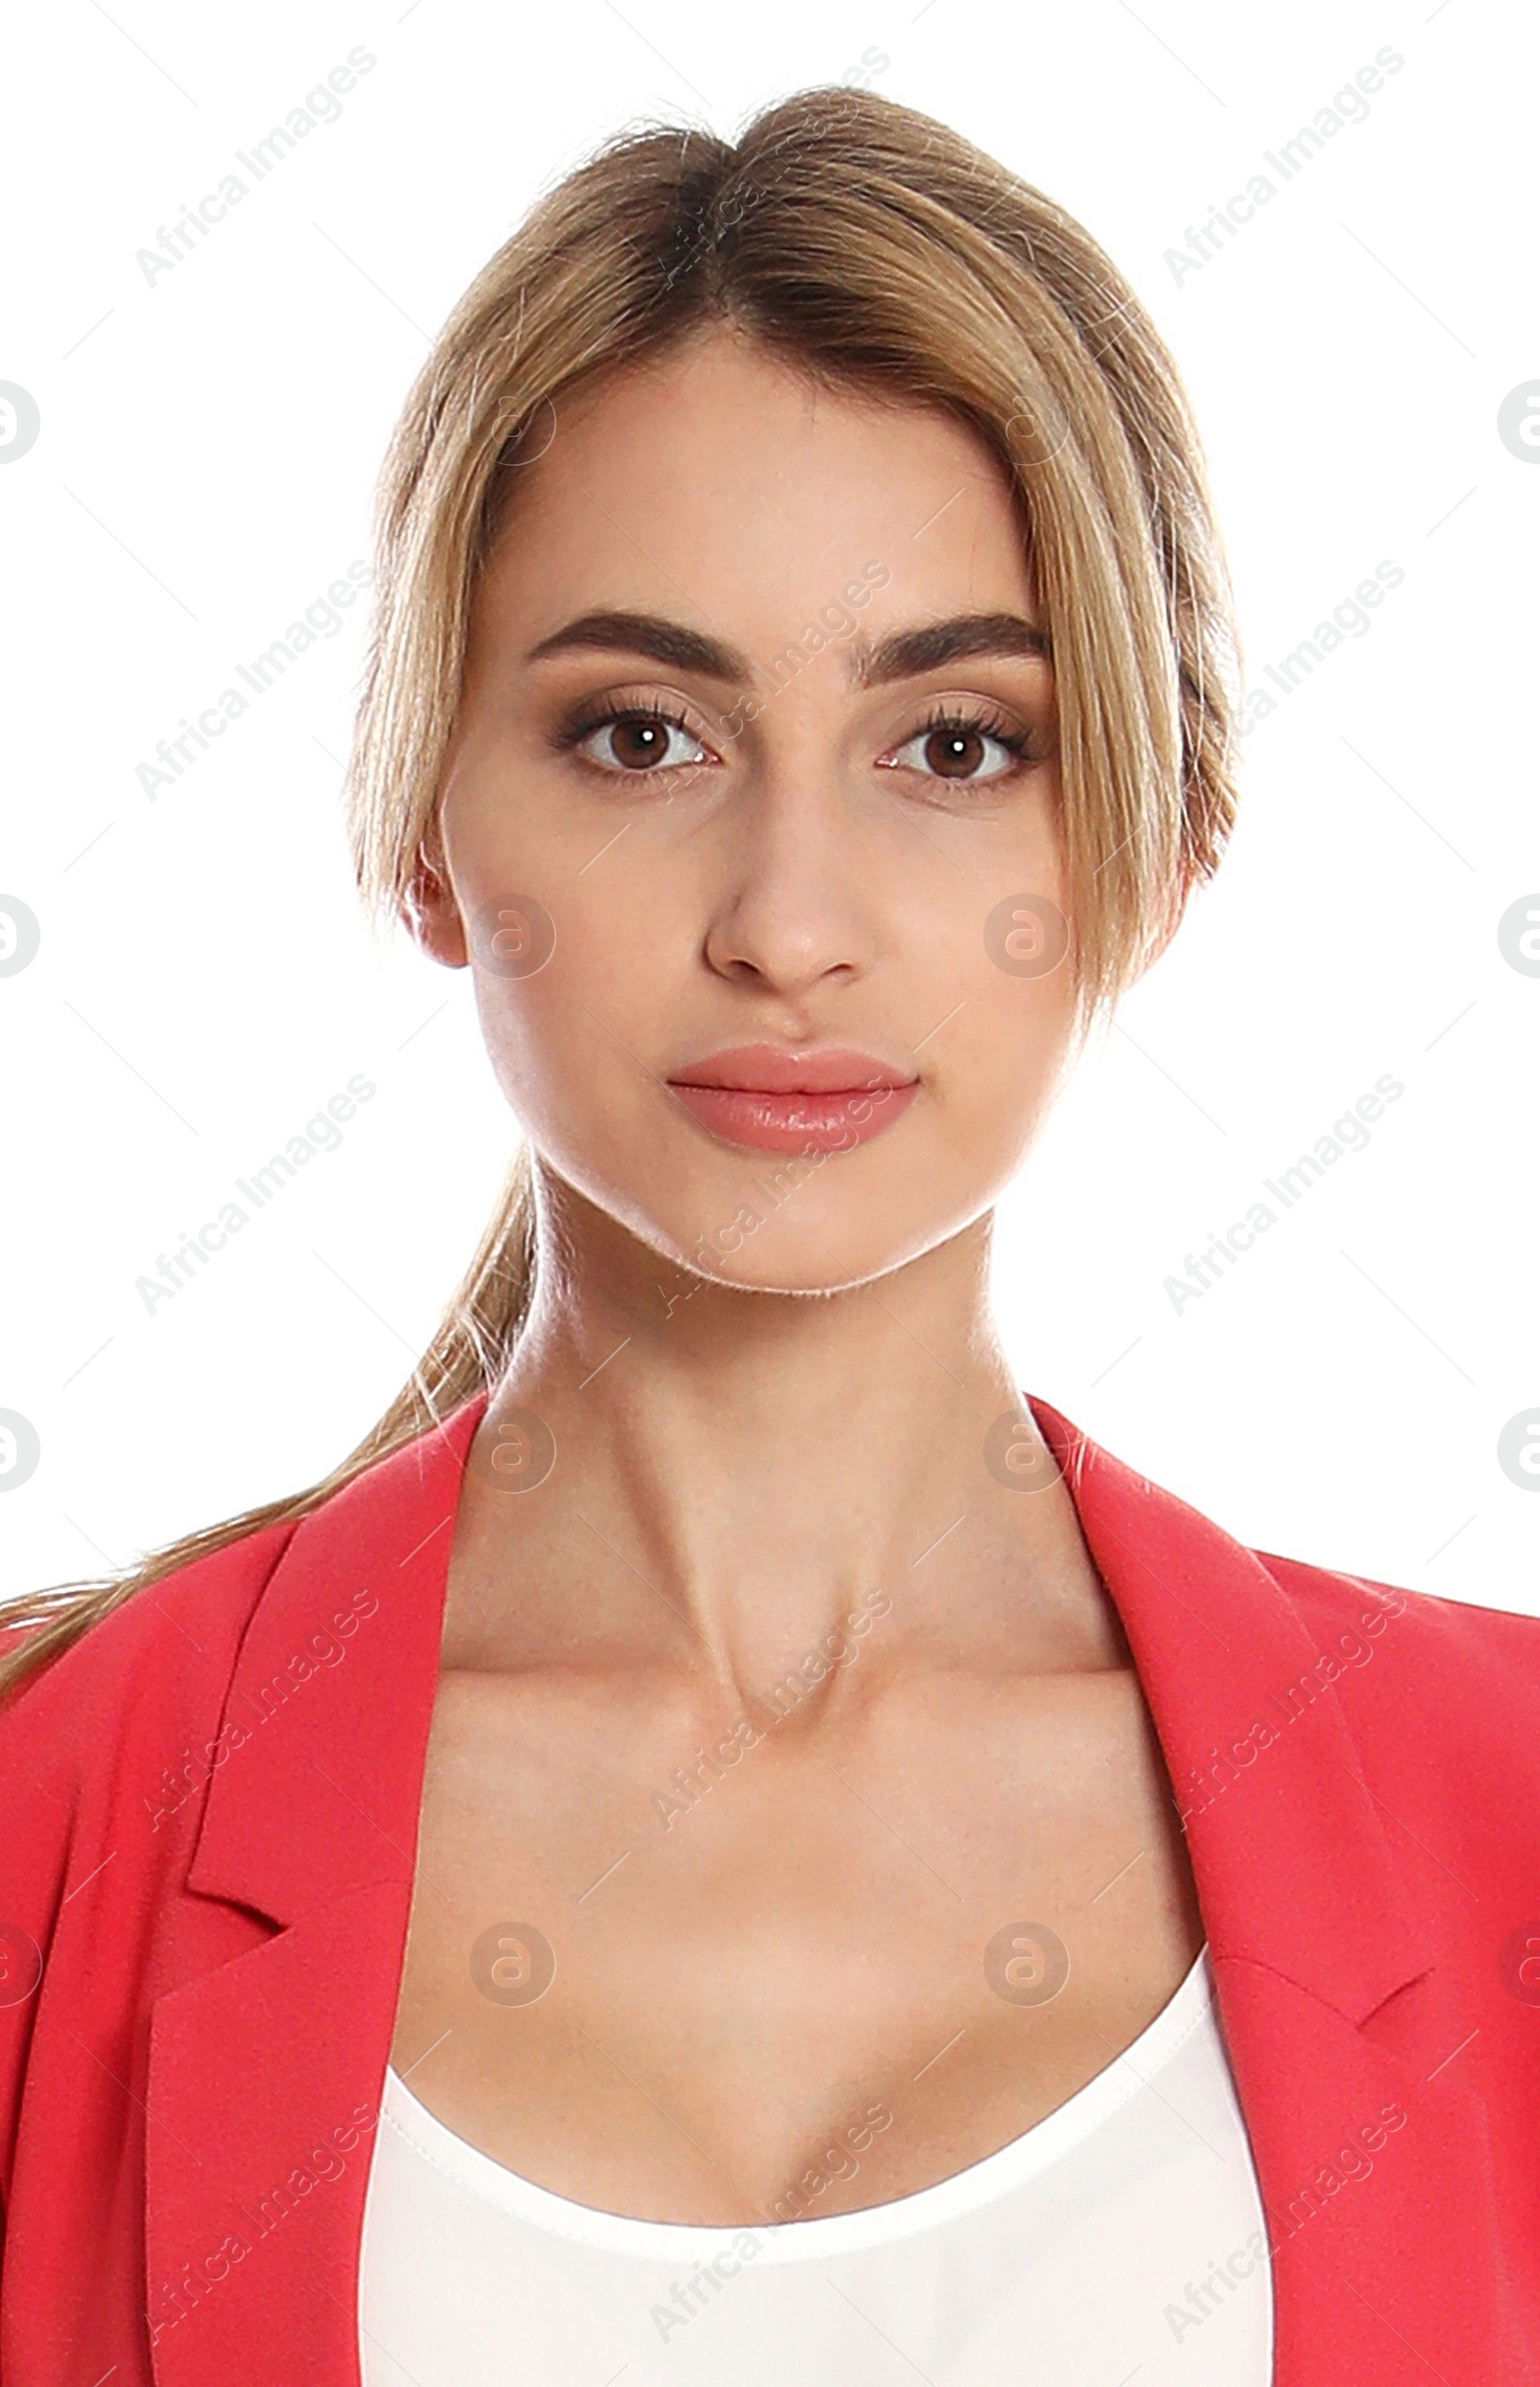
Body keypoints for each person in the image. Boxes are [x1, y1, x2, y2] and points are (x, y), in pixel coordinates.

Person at [1, 82, 1535, 2387]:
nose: (788, 923)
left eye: (950, 742)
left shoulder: (1498, 1816)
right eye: (638, 735)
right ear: (424, 829)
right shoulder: (50, 1821)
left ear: (1161, 835)